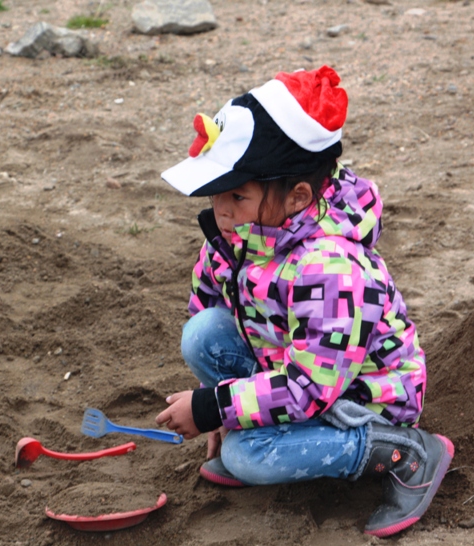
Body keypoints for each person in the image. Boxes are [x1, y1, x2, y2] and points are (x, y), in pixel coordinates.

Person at [155, 66, 453, 538]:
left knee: (245, 455)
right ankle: (266, 434)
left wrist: (214, 407)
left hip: (356, 399)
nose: (222, 211)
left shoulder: (331, 267)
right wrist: (219, 404)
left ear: (297, 197)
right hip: (291, 371)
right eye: (216, 194)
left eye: (237, 194)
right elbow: (207, 301)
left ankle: (406, 454)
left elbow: (311, 388)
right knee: (203, 334)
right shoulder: (238, 236)